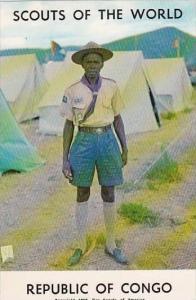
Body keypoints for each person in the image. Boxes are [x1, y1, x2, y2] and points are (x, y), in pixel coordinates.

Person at [60, 42, 128, 266]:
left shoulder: (112, 87)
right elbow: (69, 125)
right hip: (83, 142)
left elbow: (117, 118)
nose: (92, 65)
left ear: (102, 64)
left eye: (96, 62)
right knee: (82, 191)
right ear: (82, 64)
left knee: (109, 191)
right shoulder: (72, 91)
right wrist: (65, 158)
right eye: (88, 61)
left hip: (108, 140)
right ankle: (80, 245)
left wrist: (124, 147)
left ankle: (111, 244)